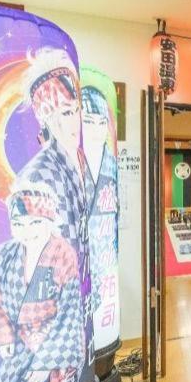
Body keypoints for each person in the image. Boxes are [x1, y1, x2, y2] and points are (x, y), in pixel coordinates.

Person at [16, 46, 93, 368]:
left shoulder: (80, 160)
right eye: (60, 113)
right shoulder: (37, 175)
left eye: (72, 109)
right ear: (44, 118)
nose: (71, 122)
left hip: (82, 295)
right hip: (56, 306)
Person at [0, 183, 84, 382]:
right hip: (23, 336)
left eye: (35, 222)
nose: (26, 231)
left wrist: (45, 364)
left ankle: (52, 377)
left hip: (55, 335)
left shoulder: (62, 254)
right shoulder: (3, 255)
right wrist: (4, 337)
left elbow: (70, 313)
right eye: (18, 224)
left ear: (50, 222)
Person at [80, 85, 119, 327]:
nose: (95, 130)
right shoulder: (67, 163)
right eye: (87, 121)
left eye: (100, 121)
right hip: (79, 264)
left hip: (106, 261)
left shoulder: (111, 165)